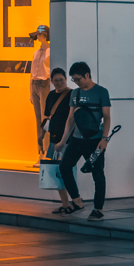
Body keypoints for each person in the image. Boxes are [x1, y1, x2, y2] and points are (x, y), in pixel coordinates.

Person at [55, 60, 112, 220]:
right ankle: (77, 201)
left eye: (78, 79)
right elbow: (71, 118)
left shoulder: (101, 92)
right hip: (77, 139)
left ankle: (98, 208)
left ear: (87, 75)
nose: (76, 82)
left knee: (98, 174)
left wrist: (104, 139)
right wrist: (62, 141)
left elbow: (107, 117)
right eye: (74, 80)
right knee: (64, 167)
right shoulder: (75, 93)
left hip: (94, 140)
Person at [41, 66, 72, 213]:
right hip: (54, 139)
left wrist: (64, 140)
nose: (59, 83)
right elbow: (47, 116)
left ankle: (73, 202)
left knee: (64, 171)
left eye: (61, 80)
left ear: (66, 80)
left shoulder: (72, 94)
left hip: (67, 140)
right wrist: (41, 135)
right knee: (55, 171)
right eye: (56, 80)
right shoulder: (51, 95)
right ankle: (66, 203)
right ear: (52, 82)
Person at [30, 25, 50, 127]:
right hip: (35, 84)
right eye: (38, 34)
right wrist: (31, 91)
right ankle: (39, 142)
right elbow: (32, 72)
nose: (38, 36)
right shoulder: (36, 53)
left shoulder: (50, 52)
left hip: (44, 84)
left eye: (41, 34)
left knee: (44, 117)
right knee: (38, 117)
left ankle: (46, 142)